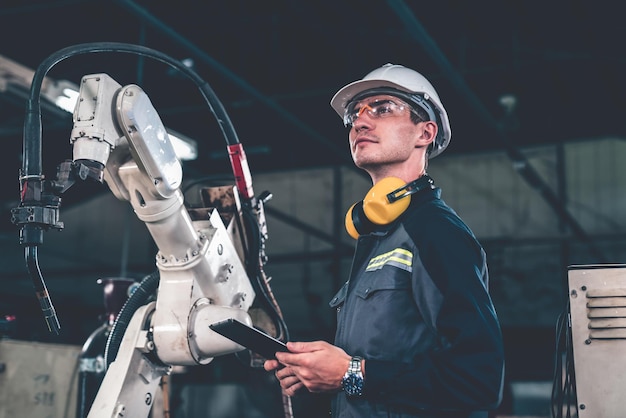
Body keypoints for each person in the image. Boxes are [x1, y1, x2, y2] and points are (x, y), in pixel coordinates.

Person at [264, 63, 505, 418]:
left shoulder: (435, 231)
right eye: (354, 115)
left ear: (425, 133)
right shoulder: (381, 236)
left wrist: (351, 373)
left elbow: (479, 381)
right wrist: (320, 373)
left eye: (382, 108)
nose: (360, 122)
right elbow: (385, 369)